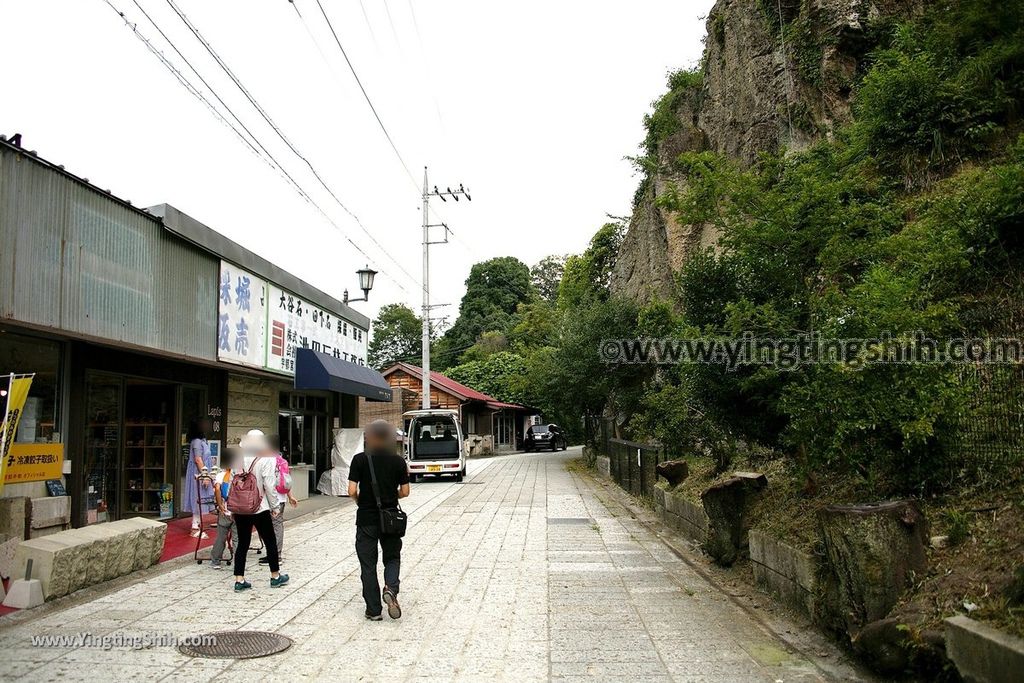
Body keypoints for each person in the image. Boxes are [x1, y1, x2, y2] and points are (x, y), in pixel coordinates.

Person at [348, 420, 410, 620]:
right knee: (392, 557)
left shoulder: (359, 460)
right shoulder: (398, 461)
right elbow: (406, 492)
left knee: (368, 564)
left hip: (366, 518)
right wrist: (392, 497)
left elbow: (351, 491)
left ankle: (373, 610)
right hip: (390, 518)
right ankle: (391, 588)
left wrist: (360, 501)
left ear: (370, 437)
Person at [232, 430, 289, 592]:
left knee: (242, 543)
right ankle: (275, 576)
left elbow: (232, 481)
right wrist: (275, 507)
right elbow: (269, 486)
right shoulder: (266, 460)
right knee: (270, 541)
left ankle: (239, 579)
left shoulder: (238, 458)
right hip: (260, 507)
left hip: (241, 507)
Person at [260, 434, 297, 567]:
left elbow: (265, 482)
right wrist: (290, 496)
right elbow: (286, 480)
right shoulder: (282, 460)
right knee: (276, 525)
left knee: (272, 527)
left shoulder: (266, 460)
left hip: (270, 499)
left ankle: (276, 556)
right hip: (281, 498)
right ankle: (275, 554)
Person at [209, 446, 240, 570]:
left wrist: (220, 505)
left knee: (221, 537)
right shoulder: (239, 474)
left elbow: (217, 488)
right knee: (237, 538)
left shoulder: (221, 475)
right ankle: (238, 561)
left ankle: (215, 560)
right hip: (238, 511)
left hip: (225, 511)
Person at [184, 418, 214, 538]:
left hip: (202, 472)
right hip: (199, 474)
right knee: (198, 498)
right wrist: (205, 475)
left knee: (201, 498)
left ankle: (197, 524)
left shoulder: (202, 440)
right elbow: (198, 459)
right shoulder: (196, 442)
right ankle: (194, 527)